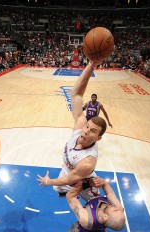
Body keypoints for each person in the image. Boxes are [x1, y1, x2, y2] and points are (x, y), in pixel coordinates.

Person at [37, 61, 107, 201]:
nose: (86, 131)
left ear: (98, 138)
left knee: (95, 212)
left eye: (93, 131)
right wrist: (91, 65)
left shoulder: (87, 162)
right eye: (87, 126)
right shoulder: (80, 126)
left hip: (83, 181)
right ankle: (63, 192)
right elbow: (76, 94)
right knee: (58, 188)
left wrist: (47, 181)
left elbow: (68, 179)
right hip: (68, 169)